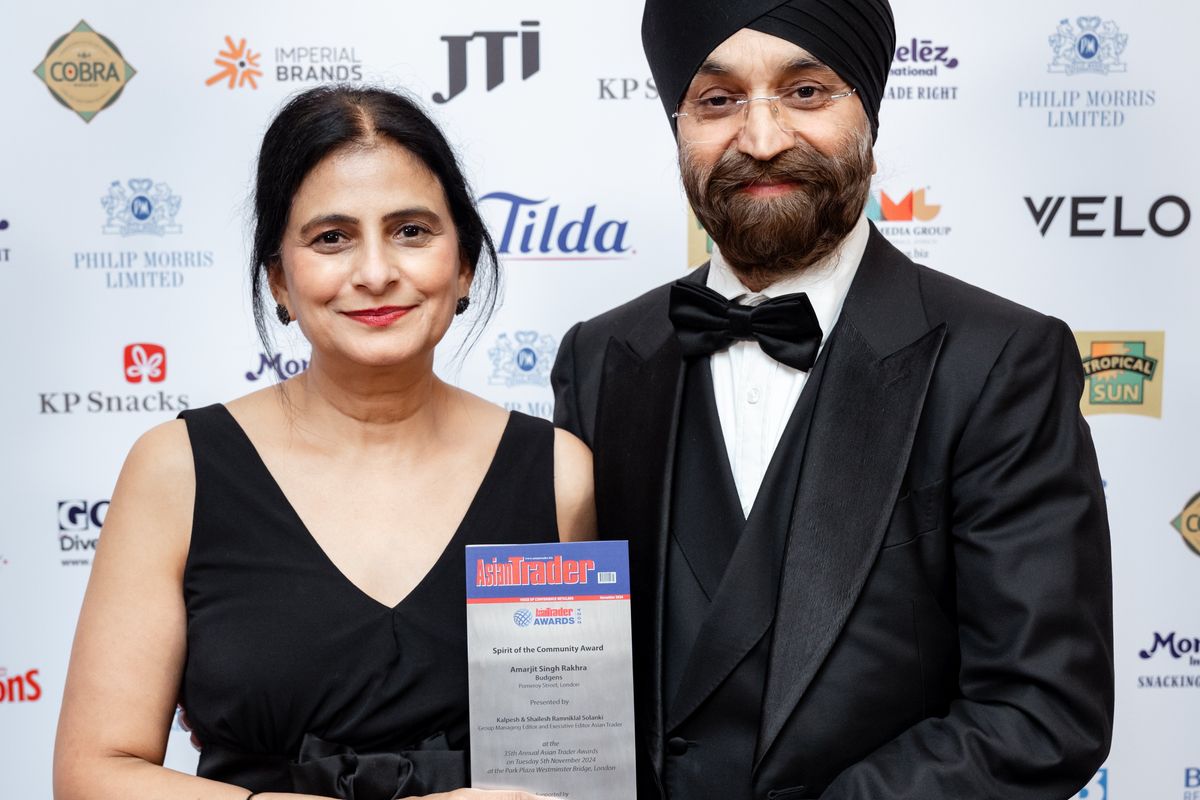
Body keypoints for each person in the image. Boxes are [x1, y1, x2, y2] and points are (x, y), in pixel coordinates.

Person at [551, 1, 1114, 798]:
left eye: (807, 92)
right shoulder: (602, 355)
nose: (763, 137)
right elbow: (567, 661)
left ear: (870, 118)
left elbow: (1043, 711)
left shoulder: (1000, 359)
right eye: (717, 101)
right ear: (677, 126)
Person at [53, 85, 592, 800]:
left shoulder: (558, 475)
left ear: (463, 264)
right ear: (279, 276)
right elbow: (92, 774)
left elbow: (585, 758)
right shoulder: (178, 469)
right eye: (331, 237)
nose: (375, 272)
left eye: (411, 231)